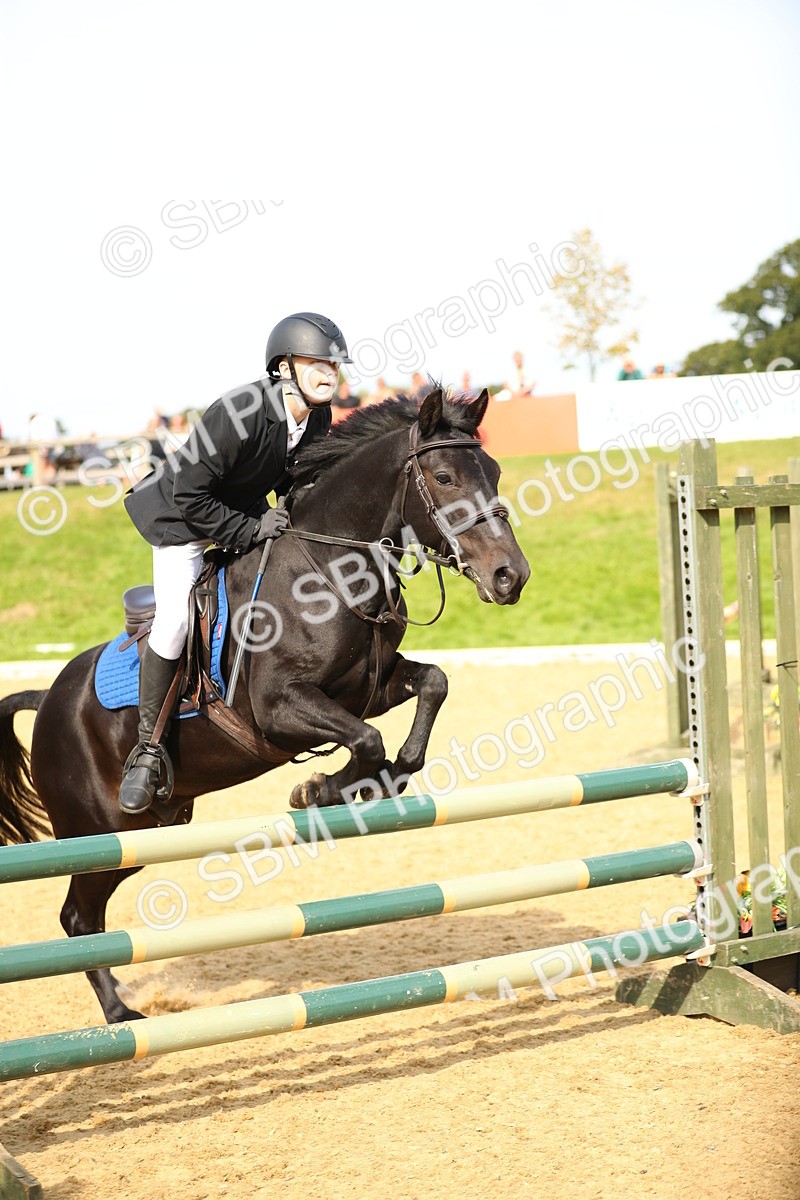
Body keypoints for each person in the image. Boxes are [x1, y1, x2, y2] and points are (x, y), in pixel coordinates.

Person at [117, 311, 351, 815]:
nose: (330, 372)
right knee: (177, 620)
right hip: (180, 519)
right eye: (318, 362)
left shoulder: (318, 416)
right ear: (285, 367)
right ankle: (148, 751)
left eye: (334, 363)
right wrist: (251, 529)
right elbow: (189, 492)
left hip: (240, 511)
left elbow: (293, 481)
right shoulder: (240, 410)